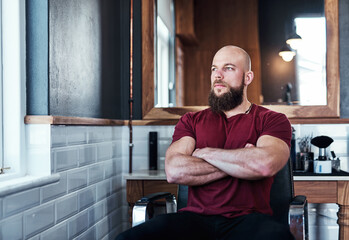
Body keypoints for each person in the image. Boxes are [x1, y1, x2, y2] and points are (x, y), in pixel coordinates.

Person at [116, 45, 294, 240]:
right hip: (194, 220)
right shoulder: (191, 120)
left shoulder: (272, 120)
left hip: (250, 221)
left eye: (228, 68)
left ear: (247, 77)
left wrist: (204, 153)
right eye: (214, 69)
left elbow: (263, 164)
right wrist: (243, 161)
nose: (218, 75)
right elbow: (174, 171)